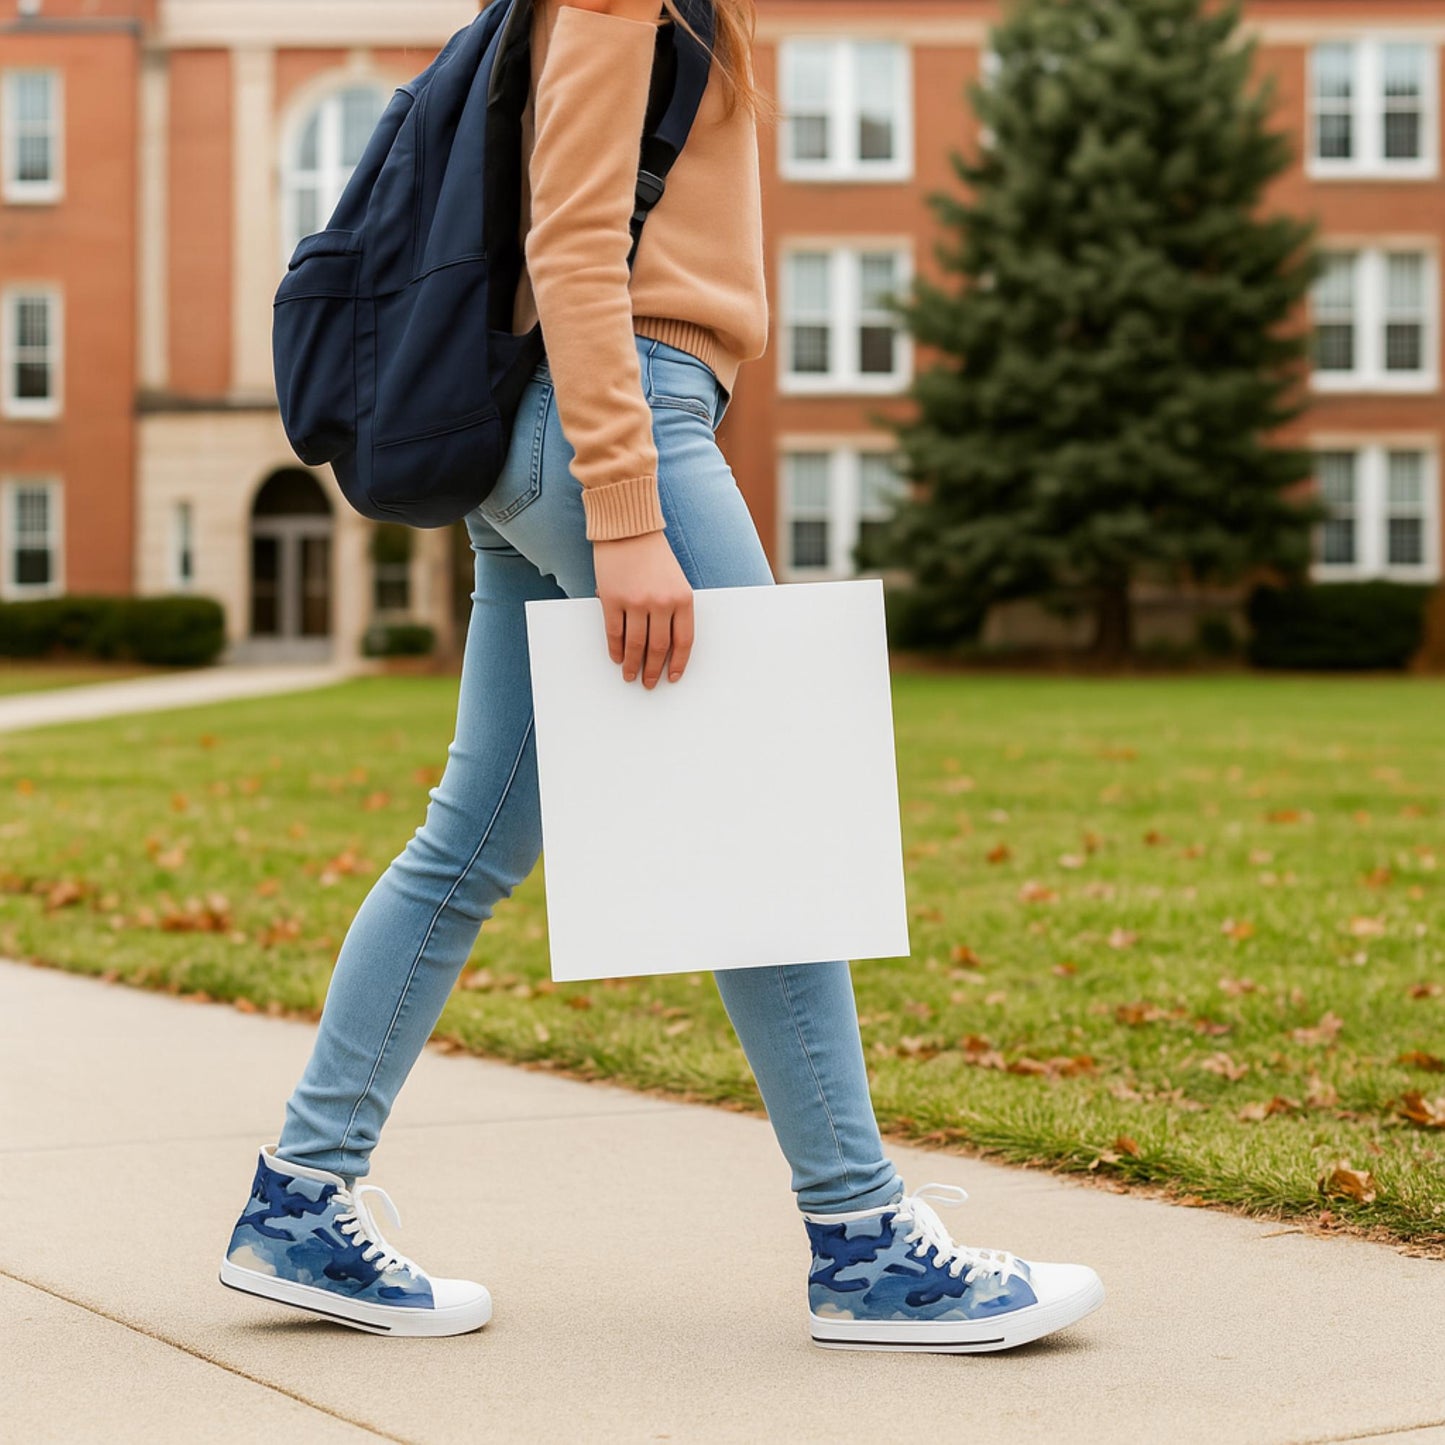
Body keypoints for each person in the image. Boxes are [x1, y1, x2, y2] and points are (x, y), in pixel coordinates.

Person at [218, 0, 1105, 1352]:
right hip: (606, 414)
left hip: (581, 417)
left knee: (470, 840)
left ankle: (299, 1198)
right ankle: (863, 1244)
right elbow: (570, 238)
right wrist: (625, 511)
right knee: (765, 820)